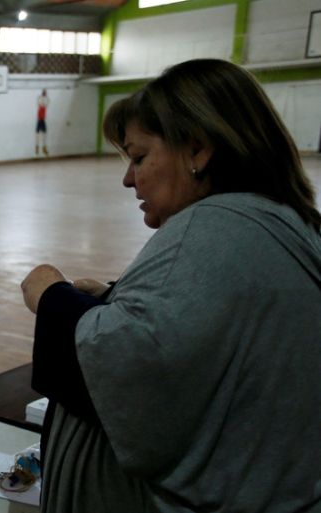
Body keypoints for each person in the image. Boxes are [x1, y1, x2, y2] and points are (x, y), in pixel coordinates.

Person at [20, 59, 321, 513]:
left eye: (139, 158)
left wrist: (51, 294)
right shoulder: (283, 221)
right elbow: (217, 328)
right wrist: (115, 299)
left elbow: (129, 366)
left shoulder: (207, 226)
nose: (128, 178)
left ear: (197, 150)